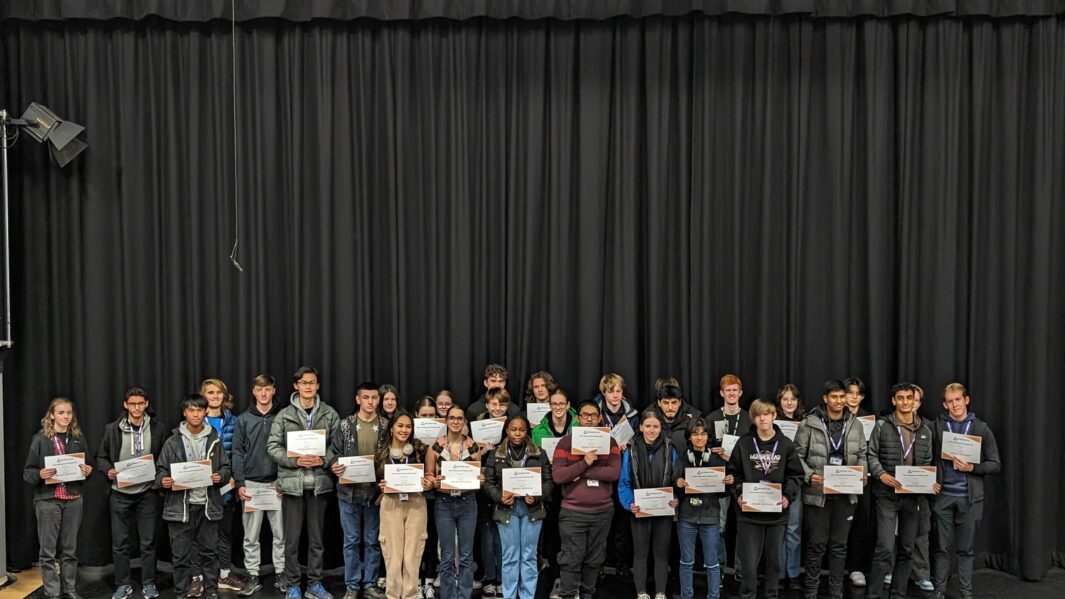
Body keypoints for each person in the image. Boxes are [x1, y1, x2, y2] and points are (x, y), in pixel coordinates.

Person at [267, 366, 340, 599]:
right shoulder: (284, 415)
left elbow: (338, 446)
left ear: (318, 386)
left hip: (320, 485)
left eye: (312, 382)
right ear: (296, 386)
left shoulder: (329, 414)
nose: (308, 386)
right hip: (292, 487)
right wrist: (295, 460)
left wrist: (324, 459)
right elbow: (272, 446)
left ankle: (315, 584)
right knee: (292, 541)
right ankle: (293, 585)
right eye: (304, 382)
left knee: (317, 540)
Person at [794, 380, 868, 599]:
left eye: (841, 396)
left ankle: (836, 591)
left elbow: (862, 453)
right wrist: (810, 476)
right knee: (816, 544)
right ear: (825, 398)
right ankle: (811, 591)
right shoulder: (809, 423)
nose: (838, 401)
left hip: (846, 494)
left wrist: (862, 474)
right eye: (834, 397)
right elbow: (796, 456)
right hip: (818, 494)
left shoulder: (855, 423)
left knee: (839, 546)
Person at [866, 383, 939, 599]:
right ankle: (874, 594)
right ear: (894, 401)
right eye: (901, 398)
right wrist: (881, 475)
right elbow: (871, 455)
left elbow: (926, 462)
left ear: (914, 400)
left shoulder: (925, 430)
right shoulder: (882, 426)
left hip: (912, 498)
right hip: (887, 496)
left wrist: (929, 483)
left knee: (907, 549)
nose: (905, 402)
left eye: (909, 398)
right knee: (885, 547)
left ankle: (898, 594)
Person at [727, 398, 804, 599]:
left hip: (776, 514)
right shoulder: (744, 443)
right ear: (753, 418)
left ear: (774, 415)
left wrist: (787, 496)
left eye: (767, 414)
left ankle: (771, 595)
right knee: (749, 564)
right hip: (749, 514)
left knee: (774, 563)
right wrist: (739, 493)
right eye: (758, 415)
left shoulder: (786, 445)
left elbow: (796, 475)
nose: (763, 419)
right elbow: (733, 473)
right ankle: (747, 595)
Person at [930, 383, 1001, 599]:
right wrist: (929, 481)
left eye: (958, 400)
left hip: (970, 499)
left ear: (966, 400)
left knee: (966, 550)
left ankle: (965, 592)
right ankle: (940, 590)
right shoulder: (937, 426)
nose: (954, 405)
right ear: (945, 404)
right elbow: (925, 457)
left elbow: (995, 464)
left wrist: (973, 467)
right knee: (941, 548)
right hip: (943, 496)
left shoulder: (980, 428)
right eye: (950, 401)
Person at [156, 394, 231, 599]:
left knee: (209, 553)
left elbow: (226, 468)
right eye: (191, 410)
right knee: (180, 556)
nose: (196, 414)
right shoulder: (172, 441)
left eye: (199, 410)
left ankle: (211, 591)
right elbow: (160, 471)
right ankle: (181, 592)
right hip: (180, 508)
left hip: (208, 506)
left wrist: (220, 476)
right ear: (185, 413)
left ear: (205, 411)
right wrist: (163, 480)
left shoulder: (214, 439)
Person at [96, 387, 166, 599]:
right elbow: (101, 457)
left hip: (147, 493)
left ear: (146, 404)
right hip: (120, 493)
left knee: (148, 542)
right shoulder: (112, 429)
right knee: (120, 543)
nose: (136, 408)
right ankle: (122, 583)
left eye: (140, 403)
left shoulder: (158, 428)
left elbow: (164, 459)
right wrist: (107, 470)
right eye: (132, 404)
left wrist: (157, 480)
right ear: (125, 405)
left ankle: (149, 582)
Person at [551, 400, 622, 599]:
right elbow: (558, 476)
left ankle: (588, 595)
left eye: (593, 415)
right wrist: (584, 463)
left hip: (602, 512)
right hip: (573, 513)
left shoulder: (611, 443)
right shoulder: (565, 443)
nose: (589, 419)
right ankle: (567, 595)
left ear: (599, 417)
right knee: (571, 560)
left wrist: (581, 472)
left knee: (595, 560)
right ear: (578, 417)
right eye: (585, 415)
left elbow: (614, 472)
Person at [25, 397, 94, 599]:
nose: (65, 416)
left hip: (73, 498)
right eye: (61, 412)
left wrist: (87, 470)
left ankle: (69, 589)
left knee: (70, 550)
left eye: (69, 413)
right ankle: (52, 592)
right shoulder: (40, 439)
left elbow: (86, 466)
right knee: (47, 552)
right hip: (48, 500)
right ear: (52, 415)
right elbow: (27, 472)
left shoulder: (78, 438)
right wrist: (40, 474)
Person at [327, 382, 388, 599]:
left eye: (374, 398)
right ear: (358, 399)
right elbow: (333, 452)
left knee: (373, 540)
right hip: (348, 494)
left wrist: (386, 485)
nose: (370, 402)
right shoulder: (345, 425)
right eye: (366, 398)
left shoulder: (385, 425)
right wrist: (334, 464)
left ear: (378, 400)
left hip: (375, 494)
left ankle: (370, 583)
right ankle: (352, 584)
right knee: (351, 540)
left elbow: (393, 457)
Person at [484, 415, 553, 599]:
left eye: (521, 430)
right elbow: (489, 483)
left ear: (526, 431)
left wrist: (537, 497)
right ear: (507, 430)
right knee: (510, 556)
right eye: (513, 429)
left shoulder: (539, 453)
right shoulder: (496, 454)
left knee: (529, 556)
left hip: (532, 509)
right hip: (507, 509)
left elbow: (548, 482)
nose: (517, 433)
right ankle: (509, 595)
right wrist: (500, 497)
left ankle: (527, 596)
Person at [426, 404, 486, 599]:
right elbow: (429, 476)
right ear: (446, 420)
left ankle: (464, 595)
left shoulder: (473, 446)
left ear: (464, 422)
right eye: (452, 418)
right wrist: (433, 481)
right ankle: (448, 595)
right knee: (447, 556)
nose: (455, 421)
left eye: (459, 418)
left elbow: (477, 476)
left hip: (468, 502)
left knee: (467, 555)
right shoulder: (435, 446)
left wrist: (479, 479)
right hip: (444, 502)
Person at [233, 375, 285, 596]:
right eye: (259, 389)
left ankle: (281, 573)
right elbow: (237, 452)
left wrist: (284, 480)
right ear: (253, 392)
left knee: (280, 534)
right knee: (250, 536)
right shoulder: (243, 419)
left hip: (277, 484)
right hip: (252, 485)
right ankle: (252, 574)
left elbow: (289, 449)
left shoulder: (283, 417)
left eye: (268, 389)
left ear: (273, 390)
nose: (263, 394)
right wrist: (240, 483)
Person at [619, 409, 679, 599]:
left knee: (661, 553)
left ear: (661, 428)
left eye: (655, 426)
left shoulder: (671, 449)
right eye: (648, 426)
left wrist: (676, 497)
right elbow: (624, 483)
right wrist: (630, 503)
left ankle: (661, 592)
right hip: (640, 510)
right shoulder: (631, 450)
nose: (652, 430)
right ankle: (641, 592)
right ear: (641, 427)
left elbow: (677, 479)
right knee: (641, 553)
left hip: (663, 510)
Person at [376, 410, 434, 599]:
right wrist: (381, 485)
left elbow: (430, 475)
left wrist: (427, 483)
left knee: (412, 555)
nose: (404, 430)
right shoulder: (381, 452)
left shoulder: (420, 449)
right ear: (392, 428)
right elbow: (374, 481)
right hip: (391, 504)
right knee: (393, 555)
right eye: (400, 426)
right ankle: (392, 595)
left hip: (416, 503)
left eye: (408, 426)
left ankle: (410, 594)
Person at [674, 418, 732, 599]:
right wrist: (678, 483)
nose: (699, 438)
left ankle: (714, 596)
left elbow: (723, 494)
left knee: (712, 562)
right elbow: (674, 488)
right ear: (689, 437)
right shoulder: (683, 459)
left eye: (703, 434)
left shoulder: (716, 459)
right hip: (687, 517)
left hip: (710, 518)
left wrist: (727, 484)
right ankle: (686, 596)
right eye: (695, 434)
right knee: (686, 561)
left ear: (708, 437)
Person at [531, 389, 576, 598]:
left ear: (568, 405)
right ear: (550, 405)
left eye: (561, 404)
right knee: (551, 534)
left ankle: (568, 580)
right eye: (554, 404)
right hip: (548, 487)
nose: (558, 408)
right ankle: (554, 578)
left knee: (570, 535)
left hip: (572, 486)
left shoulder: (578, 427)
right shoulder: (539, 430)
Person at [201, 378, 244, 593]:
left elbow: (238, 452)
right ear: (204, 396)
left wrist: (236, 479)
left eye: (219, 392)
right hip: (201, 487)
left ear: (225, 396)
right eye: (210, 392)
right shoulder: (196, 419)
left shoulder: (234, 422)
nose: (215, 396)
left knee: (225, 532)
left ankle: (225, 575)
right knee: (201, 534)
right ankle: (198, 577)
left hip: (227, 485)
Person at [595, 373, 638, 582]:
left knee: (622, 523)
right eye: (610, 391)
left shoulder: (632, 415)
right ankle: (599, 564)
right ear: (603, 393)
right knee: (601, 522)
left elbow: (638, 439)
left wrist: (628, 446)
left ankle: (622, 564)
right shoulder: (595, 414)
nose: (615, 395)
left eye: (618, 391)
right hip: (600, 472)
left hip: (623, 472)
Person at [707, 374, 750, 578]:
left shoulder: (750, 418)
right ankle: (720, 569)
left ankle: (742, 569)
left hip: (743, 480)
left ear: (740, 393)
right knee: (719, 527)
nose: (731, 393)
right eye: (728, 390)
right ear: (721, 393)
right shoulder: (712, 418)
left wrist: (732, 456)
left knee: (744, 526)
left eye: (735, 390)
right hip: (719, 480)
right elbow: (703, 448)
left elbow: (755, 451)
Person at [474, 388, 511, 595]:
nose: (498, 409)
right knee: (486, 536)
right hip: (482, 490)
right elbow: (465, 460)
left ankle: (503, 578)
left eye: (502, 405)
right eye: (494, 404)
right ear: (487, 405)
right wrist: (482, 451)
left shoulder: (512, 427)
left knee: (503, 537)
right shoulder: (475, 427)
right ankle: (490, 578)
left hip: (505, 489)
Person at [842, 376, 874, 588]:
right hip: (838, 478)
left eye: (857, 393)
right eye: (849, 393)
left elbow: (872, 451)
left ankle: (856, 568)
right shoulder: (833, 416)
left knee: (860, 525)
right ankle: (836, 567)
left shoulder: (869, 419)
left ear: (862, 397)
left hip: (862, 479)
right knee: (836, 526)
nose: (853, 397)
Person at [775, 384, 805, 592]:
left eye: (793, 399)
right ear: (779, 401)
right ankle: (777, 573)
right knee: (777, 530)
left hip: (795, 482)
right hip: (774, 480)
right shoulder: (771, 422)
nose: (789, 403)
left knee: (794, 529)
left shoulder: (804, 423)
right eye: (785, 399)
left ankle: (793, 573)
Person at [414, 397, 441, 599]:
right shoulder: (407, 434)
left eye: (432, 416)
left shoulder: (443, 439)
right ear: (417, 416)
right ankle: (414, 582)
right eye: (424, 416)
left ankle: (429, 582)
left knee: (431, 540)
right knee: (414, 541)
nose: (429, 419)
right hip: (413, 496)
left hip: (435, 496)